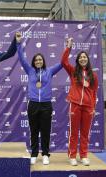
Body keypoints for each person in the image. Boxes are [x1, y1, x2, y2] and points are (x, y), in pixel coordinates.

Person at [16, 34, 63, 165]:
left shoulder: (50, 71)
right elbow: (21, 58)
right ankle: (34, 153)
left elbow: (63, 63)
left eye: (40, 60)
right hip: (33, 104)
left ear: (43, 61)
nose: (38, 62)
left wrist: (68, 49)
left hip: (46, 105)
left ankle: (46, 154)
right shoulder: (30, 70)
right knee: (34, 130)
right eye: (36, 60)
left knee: (46, 130)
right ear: (34, 62)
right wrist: (18, 43)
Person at [61, 38, 98, 166]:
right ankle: (72, 156)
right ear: (78, 60)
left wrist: (93, 107)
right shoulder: (73, 72)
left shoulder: (93, 75)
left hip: (88, 107)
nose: (83, 59)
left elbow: (94, 93)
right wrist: (68, 47)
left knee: (85, 133)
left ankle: (83, 155)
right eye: (81, 57)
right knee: (73, 132)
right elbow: (63, 61)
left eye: (85, 57)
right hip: (75, 105)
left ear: (87, 59)